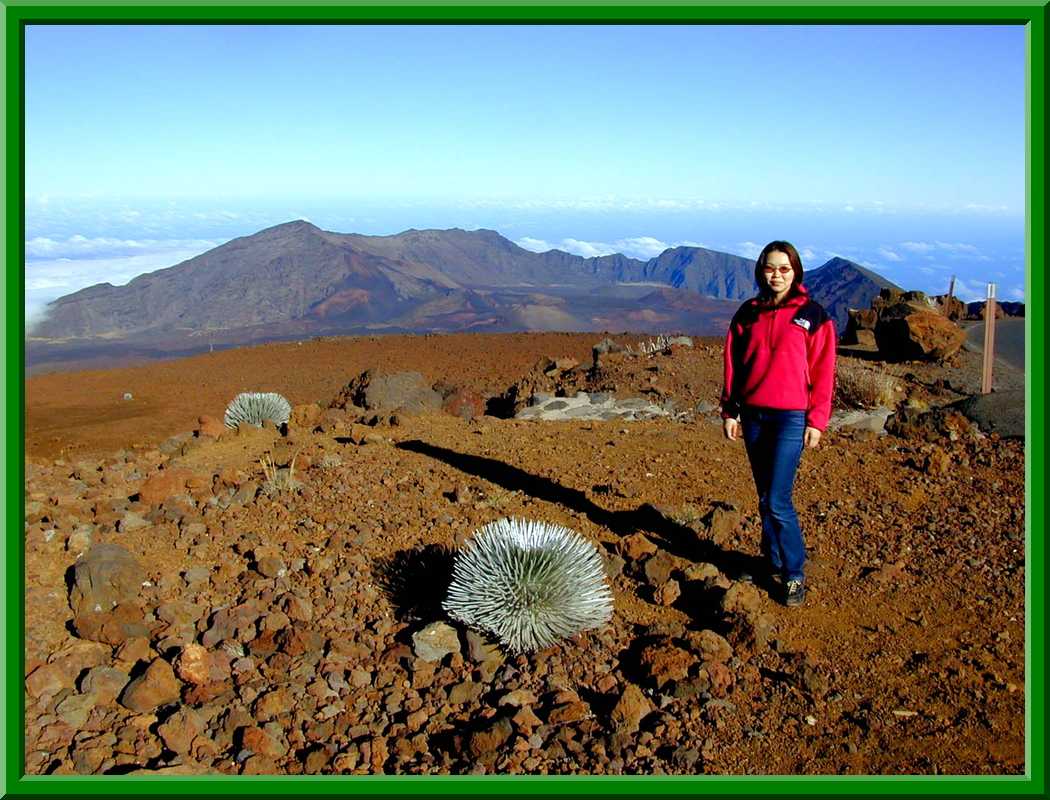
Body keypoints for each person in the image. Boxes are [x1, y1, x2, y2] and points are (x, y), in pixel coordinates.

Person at [720, 241, 836, 607]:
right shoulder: (748, 313)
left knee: (778, 499)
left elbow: (823, 370)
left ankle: (793, 572)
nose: (777, 275)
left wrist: (817, 419)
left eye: (784, 269)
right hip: (753, 415)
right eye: (770, 268)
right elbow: (733, 364)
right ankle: (770, 561)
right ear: (761, 271)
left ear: (796, 271)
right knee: (765, 497)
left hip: (790, 417)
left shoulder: (812, 315)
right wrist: (730, 410)